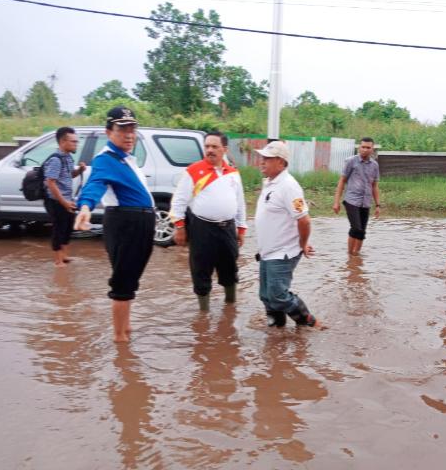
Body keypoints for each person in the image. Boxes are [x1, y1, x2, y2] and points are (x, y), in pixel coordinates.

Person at [74, 106, 155, 343]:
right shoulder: (105, 160)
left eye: (132, 128)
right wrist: (86, 207)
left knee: (130, 278)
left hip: (138, 223)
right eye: (122, 129)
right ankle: (120, 341)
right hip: (126, 224)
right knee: (122, 281)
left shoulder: (126, 159)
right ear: (108, 132)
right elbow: (95, 184)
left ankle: (126, 327)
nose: (129, 134)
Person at [170, 131, 247, 311]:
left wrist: (241, 228)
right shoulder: (193, 171)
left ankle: (230, 307)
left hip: (227, 229)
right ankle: (203, 314)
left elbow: (240, 202)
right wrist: (180, 227)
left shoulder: (233, 173)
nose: (210, 150)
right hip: (202, 230)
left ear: (224, 149)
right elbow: (179, 201)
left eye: (214, 146)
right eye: (207, 146)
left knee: (229, 269)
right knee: (201, 270)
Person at [254, 140, 319, 328]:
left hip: (283, 252)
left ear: (281, 163)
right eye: (262, 158)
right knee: (265, 295)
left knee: (278, 295)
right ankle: (277, 330)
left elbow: (304, 220)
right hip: (267, 251)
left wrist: (302, 244)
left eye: (267, 158)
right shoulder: (269, 182)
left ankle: (309, 321)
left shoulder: (289, 186)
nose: (262, 162)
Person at [43, 127, 86, 267]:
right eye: (73, 142)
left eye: (76, 142)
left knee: (67, 228)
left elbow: (69, 175)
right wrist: (64, 202)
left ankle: (64, 255)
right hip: (56, 201)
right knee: (59, 229)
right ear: (62, 142)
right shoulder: (56, 159)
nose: (76, 144)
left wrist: (79, 170)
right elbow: (50, 182)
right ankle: (58, 260)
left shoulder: (67, 157)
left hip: (67, 200)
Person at [332, 137, 381, 255]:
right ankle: (350, 254)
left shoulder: (374, 165)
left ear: (372, 149)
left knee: (362, 231)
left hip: (366, 202)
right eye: (363, 147)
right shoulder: (351, 161)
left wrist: (378, 205)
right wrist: (336, 202)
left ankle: (356, 256)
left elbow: (374, 185)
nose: (365, 150)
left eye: (368, 147)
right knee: (356, 228)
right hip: (351, 201)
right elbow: (342, 181)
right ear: (359, 148)